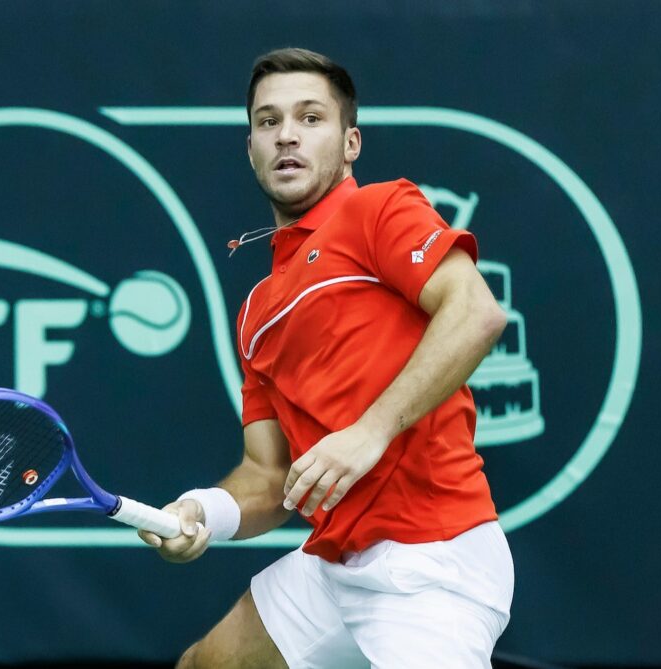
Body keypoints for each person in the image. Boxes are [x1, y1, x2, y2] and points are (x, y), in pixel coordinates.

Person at [137, 47, 514, 668]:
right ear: (251, 148)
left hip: (433, 561)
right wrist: (205, 512)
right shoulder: (257, 310)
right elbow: (267, 475)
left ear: (350, 144)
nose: (286, 134)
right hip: (335, 567)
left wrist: (371, 430)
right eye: (268, 121)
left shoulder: (379, 210)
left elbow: (476, 313)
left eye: (311, 118)